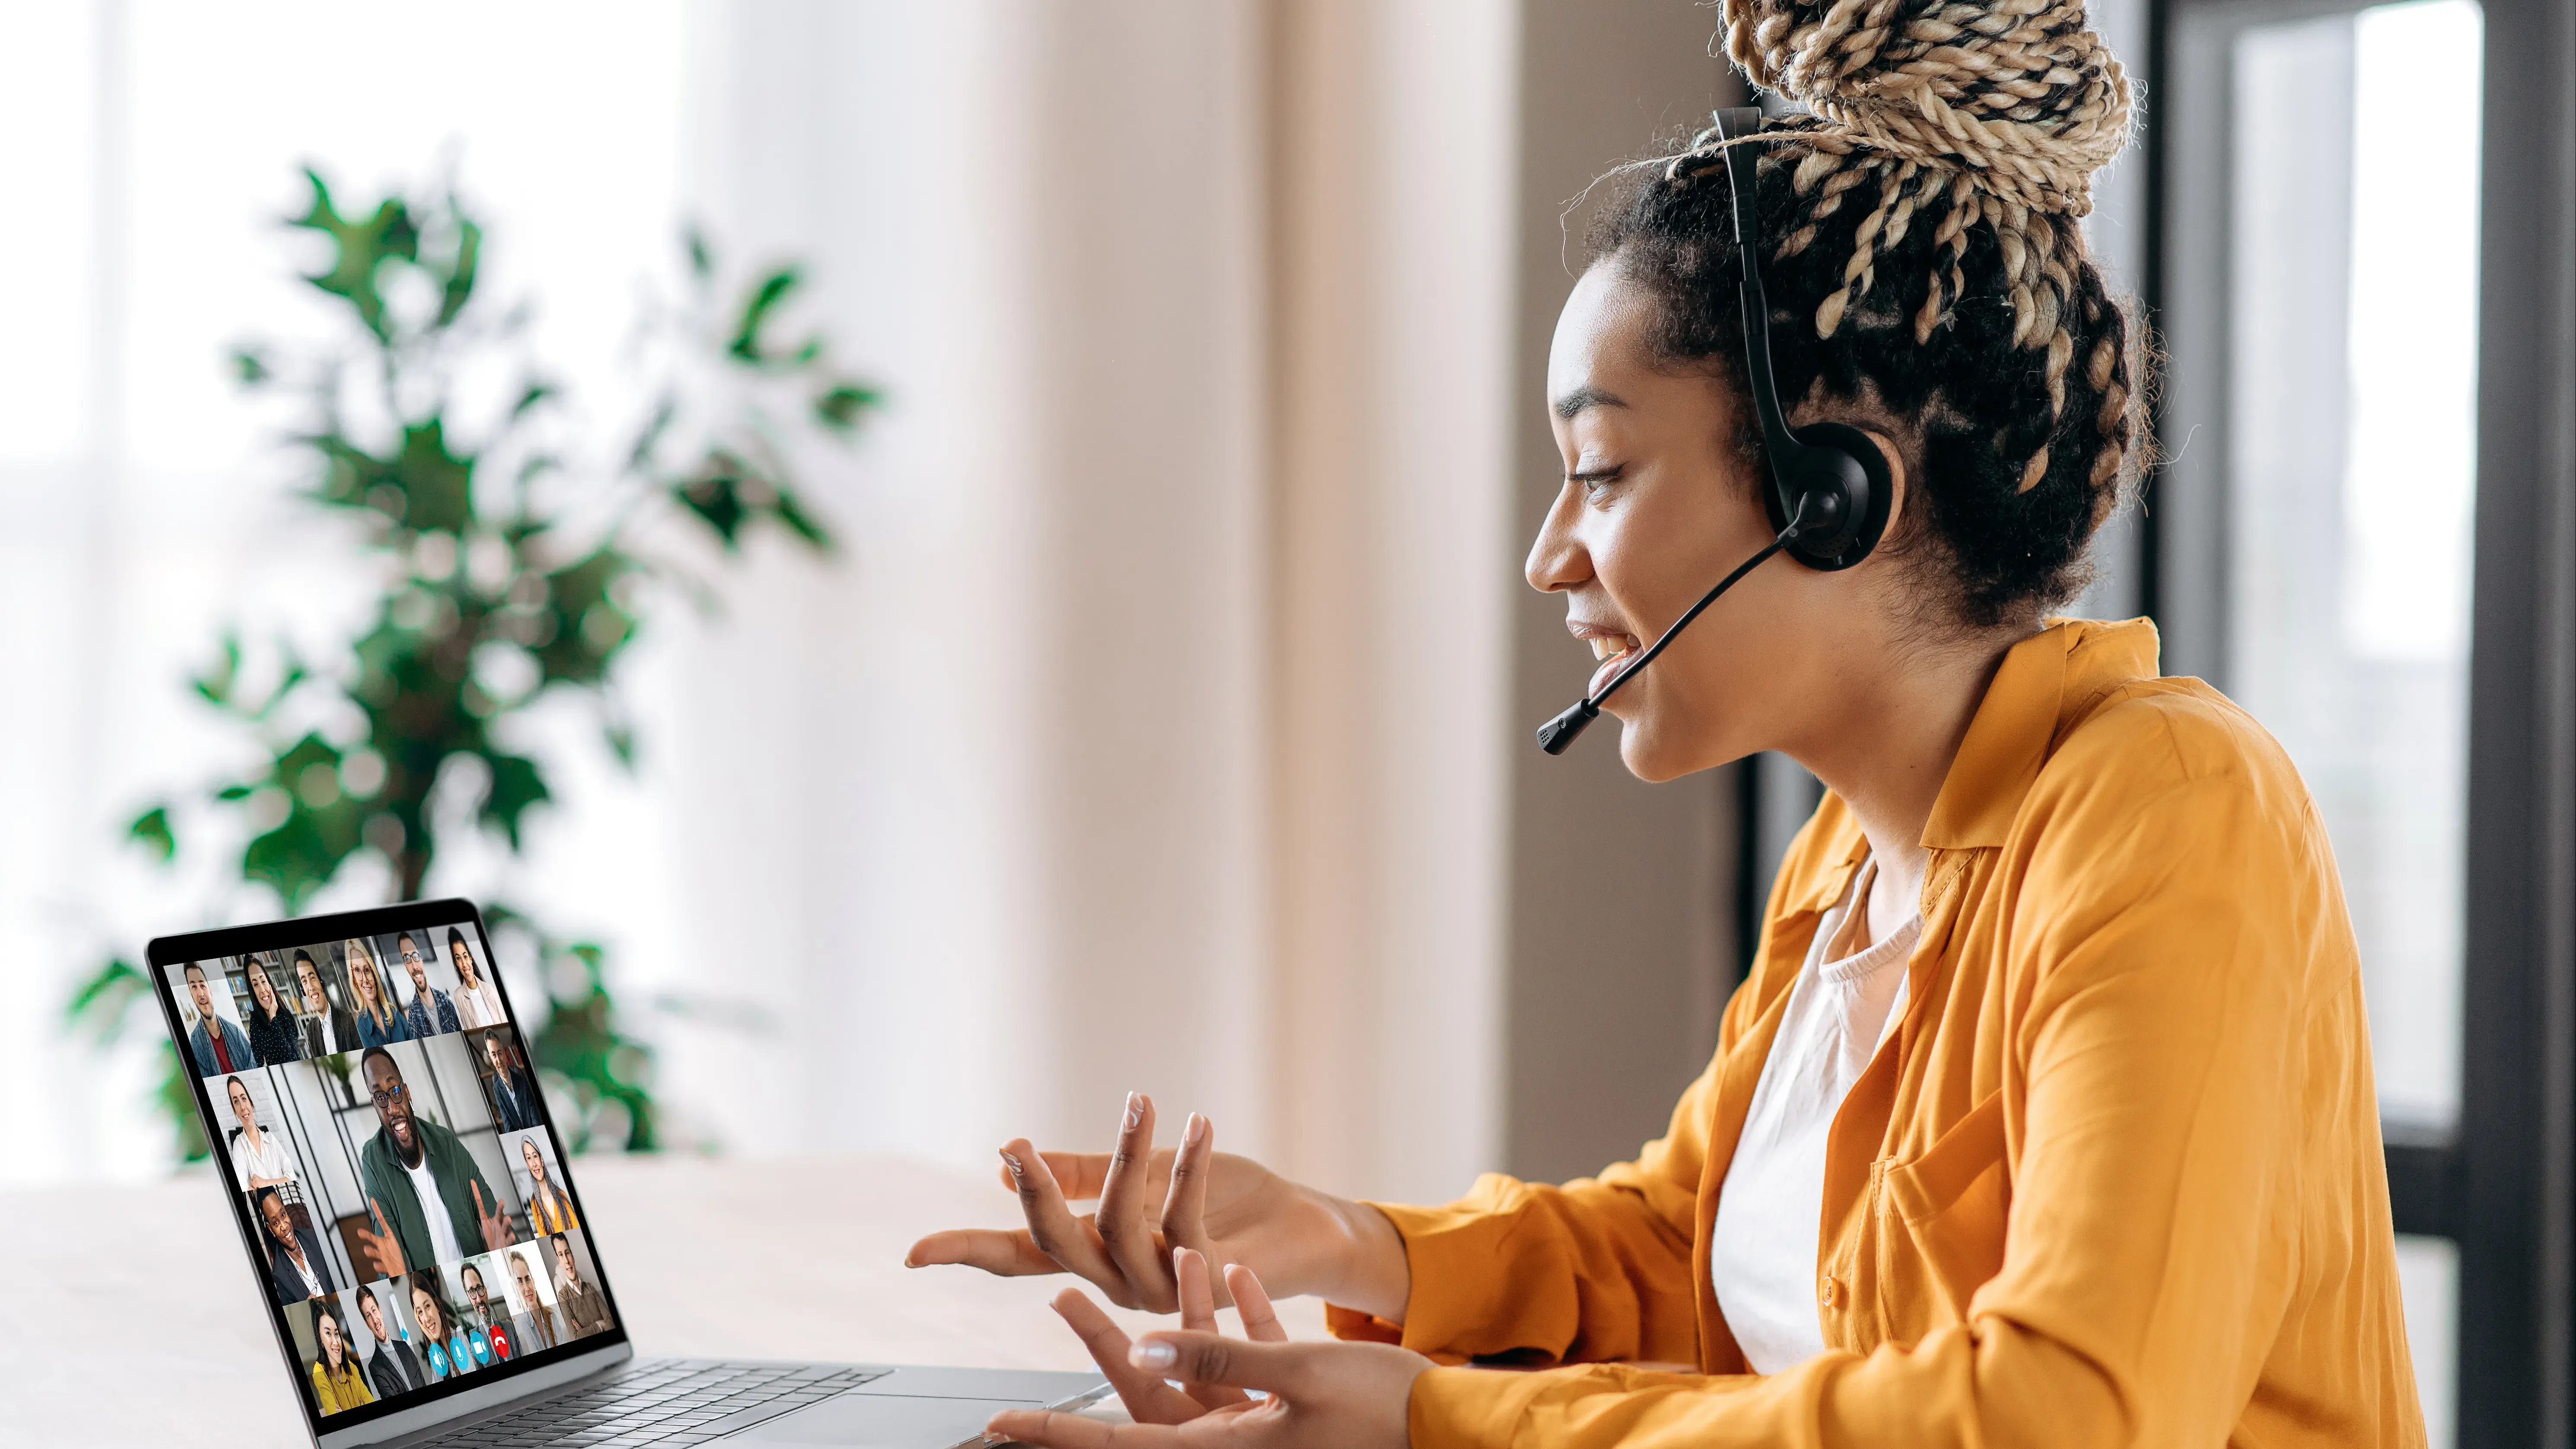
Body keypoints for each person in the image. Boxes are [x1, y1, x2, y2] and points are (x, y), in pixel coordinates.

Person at [911, 4, 2421, 1446]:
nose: (1548, 554)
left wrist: (1432, 1423)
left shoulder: (2162, 808)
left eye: (1604, 471)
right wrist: (1338, 1240)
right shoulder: (1846, 862)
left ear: (1837, 495)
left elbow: (2064, 1417)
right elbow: (1675, 1258)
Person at [349, 1047, 517, 1281]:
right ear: (375, 1106)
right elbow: (390, 1253)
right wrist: (395, 1278)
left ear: (407, 1093)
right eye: (380, 1098)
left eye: (395, 1091)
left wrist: (504, 1254)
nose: (392, 1108)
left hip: (476, 1276)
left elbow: (496, 1223)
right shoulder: (373, 1162)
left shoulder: (446, 1143)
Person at [256, 1185, 337, 1306]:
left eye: (283, 1215)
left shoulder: (314, 1238)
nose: (284, 1226)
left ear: (286, 1211)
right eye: (276, 1223)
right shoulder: (280, 1276)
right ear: (271, 1229)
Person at [223, 1075, 298, 1194]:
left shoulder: (270, 1138)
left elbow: (292, 1175)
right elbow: (241, 1186)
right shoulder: (239, 1144)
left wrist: (265, 1184)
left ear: (251, 1104)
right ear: (235, 1112)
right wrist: (279, 1182)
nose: (243, 1107)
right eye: (236, 1102)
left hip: (290, 1201)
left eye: (244, 1099)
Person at [180, 962, 253, 1078]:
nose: (200, 993)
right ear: (191, 995)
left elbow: (254, 1071)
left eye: (203, 986)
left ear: (211, 992)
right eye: (194, 987)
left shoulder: (235, 1032)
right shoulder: (196, 1043)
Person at [356, 1284, 426, 1401]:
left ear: (380, 1311)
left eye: (374, 1311)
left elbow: (423, 1384)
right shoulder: (375, 1367)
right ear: (367, 1324)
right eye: (369, 1316)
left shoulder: (404, 1347)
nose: (374, 1320)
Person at [308, 1301, 375, 1415]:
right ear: (320, 1339)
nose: (336, 1342)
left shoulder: (352, 1368)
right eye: (328, 1334)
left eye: (337, 1333)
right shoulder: (319, 1373)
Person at [293, 949, 362, 1058]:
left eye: (312, 978)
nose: (310, 987)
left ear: (321, 981)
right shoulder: (311, 1029)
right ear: (303, 990)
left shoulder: (348, 1020)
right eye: (305, 981)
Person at [344, 938, 411, 1049]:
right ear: (354, 980)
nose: (365, 980)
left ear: (374, 974)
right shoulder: (362, 1028)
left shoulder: (394, 1013)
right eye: (357, 970)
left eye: (367, 970)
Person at [394, 930, 461, 1039]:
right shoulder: (413, 1017)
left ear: (421, 960)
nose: (414, 966)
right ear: (405, 967)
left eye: (415, 956)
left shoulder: (446, 1002)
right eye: (407, 959)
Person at [239, 955, 303, 1067]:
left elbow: (293, 1059)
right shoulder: (255, 1021)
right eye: (256, 985)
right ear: (253, 991)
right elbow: (256, 1063)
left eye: (263, 981)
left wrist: (273, 1018)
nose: (262, 990)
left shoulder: (285, 1015)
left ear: (269, 983)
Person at [408, 1276, 473, 1382]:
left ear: (437, 1305)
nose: (427, 1319)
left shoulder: (461, 1336)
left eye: (428, 1306)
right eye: (420, 1312)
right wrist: (433, 1343)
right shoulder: (438, 1353)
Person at [549, 1232, 613, 1340]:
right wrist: (600, 1325)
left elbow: (611, 1321)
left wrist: (586, 1331)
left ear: (572, 1255)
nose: (567, 1261)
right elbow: (576, 1338)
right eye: (561, 1255)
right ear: (559, 1260)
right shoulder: (564, 1296)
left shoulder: (590, 1288)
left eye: (567, 1253)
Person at [506, 1246, 564, 1355]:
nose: (527, 1288)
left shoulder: (552, 1316)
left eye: (527, 1279)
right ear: (518, 1288)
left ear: (533, 1282)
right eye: (520, 1282)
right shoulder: (524, 1323)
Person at [449, 926, 507, 1029]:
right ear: (456, 963)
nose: (464, 964)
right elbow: (468, 1029)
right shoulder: (458, 996)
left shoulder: (489, 990)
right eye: (458, 958)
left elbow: (504, 1024)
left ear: (471, 959)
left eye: (465, 957)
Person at [518, 1136, 578, 1234]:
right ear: (527, 1165)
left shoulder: (561, 1196)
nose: (534, 1164)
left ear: (541, 1160)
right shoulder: (534, 1204)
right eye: (529, 1158)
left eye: (535, 1156)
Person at [484, 1032, 541, 1133]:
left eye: (500, 1053)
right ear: (491, 1059)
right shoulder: (497, 1089)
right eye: (494, 1055)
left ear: (505, 1054)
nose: (499, 1060)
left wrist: (537, 1132)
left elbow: (534, 1112)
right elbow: (507, 1122)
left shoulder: (521, 1080)